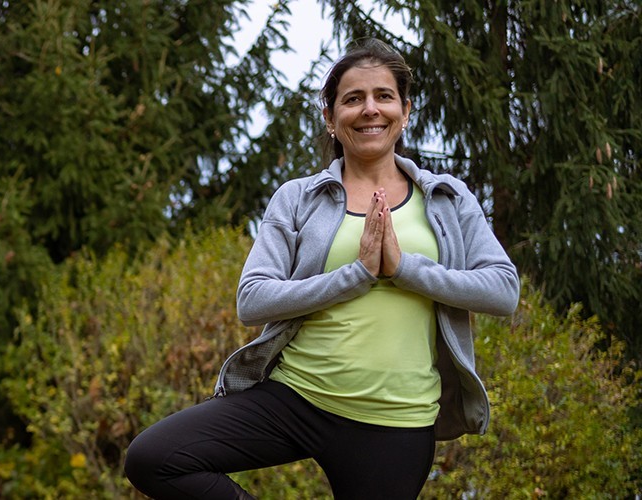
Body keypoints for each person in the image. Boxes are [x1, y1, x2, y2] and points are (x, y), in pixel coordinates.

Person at [123, 39, 519, 499]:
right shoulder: (297, 198)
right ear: (331, 118)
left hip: (395, 421)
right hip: (295, 400)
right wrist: (355, 275)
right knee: (154, 459)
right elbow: (252, 299)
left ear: (405, 111)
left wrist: (402, 268)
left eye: (383, 96)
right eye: (353, 99)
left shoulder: (447, 197)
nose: (370, 109)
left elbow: (503, 290)